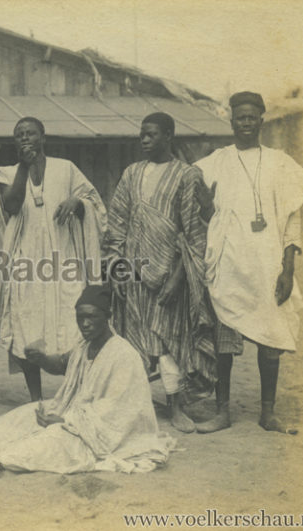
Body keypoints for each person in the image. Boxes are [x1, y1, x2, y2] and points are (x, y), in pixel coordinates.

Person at [194, 92, 303, 434]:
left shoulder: (280, 162)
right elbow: (206, 216)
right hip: (229, 262)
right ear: (231, 121)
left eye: (251, 117)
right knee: (223, 341)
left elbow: (292, 219)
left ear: (261, 120)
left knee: (271, 336)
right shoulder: (215, 161)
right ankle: (222, 411)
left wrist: (288, 269)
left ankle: (267, 412)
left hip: (268, 262)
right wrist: (204, 207)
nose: (245, 122)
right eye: (239, 117)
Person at [0, 285, 172, 473]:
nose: (85, 324)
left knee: (28, 449)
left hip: (101, 434)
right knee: (17, 420)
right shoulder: (84, 345)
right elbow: (62, 365)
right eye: (80, 317)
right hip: (75, 414)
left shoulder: (123, 355)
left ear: (107, 316)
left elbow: (119, 412)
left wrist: (65, 421)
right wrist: (41, 359)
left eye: (92, 317)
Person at [0, 116, 106, 402]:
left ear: (43, 137)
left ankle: (75, 393)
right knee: (28, 327)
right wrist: (24, 166)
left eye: (31, 133)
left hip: (64, 260)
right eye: (19, 134)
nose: (25, 138)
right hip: (26, 263)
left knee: (74, 327)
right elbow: (10, 204)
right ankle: (36, 398)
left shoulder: (66, 169)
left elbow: (95, 204)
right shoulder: (5, 173)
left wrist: (78, 203)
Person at [103, 112, 215, 433]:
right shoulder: (131, 174)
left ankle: (176, 407)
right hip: (134, 275)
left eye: (151, 135)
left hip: (169, 277)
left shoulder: (187, 175)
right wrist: (117, 270)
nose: (144, 140)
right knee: (134, 343)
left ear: (169, 136)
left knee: (170, 344)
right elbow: (117, 225)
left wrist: (178, 277)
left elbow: (193, 233)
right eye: (142, 134)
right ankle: (135, 404)